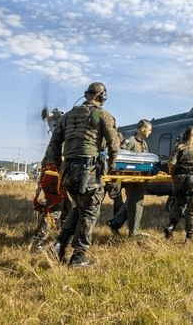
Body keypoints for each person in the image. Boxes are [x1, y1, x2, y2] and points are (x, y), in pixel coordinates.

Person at [45, 82, 119, 268]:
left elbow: (54, 144)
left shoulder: (68, 116)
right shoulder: (103, 115)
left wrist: (59, 166)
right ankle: (79, 256)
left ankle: (59, 245)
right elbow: (114, 144)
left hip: (68, 170)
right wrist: (111, 166)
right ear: (100, 97)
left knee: (78, 208)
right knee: (89, 211)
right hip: (88, 171)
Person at [108, 119, 152, 236]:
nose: (150, 132)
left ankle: (115, 223)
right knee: (136, 204)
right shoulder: (131, 141)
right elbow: (120, 157)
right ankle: (134, 232)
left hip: (139, 179)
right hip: (131, 180)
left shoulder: (143, 143)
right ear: (142, 129)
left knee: (131, 203)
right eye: (149, 129)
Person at [164, 126, 193, 241]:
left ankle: (171, 226)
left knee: (178, 204)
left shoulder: (179, 147)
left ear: (184, 136)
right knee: (192, 209)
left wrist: (172, 174)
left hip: (180, 178)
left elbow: (171, 163)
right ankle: (189, 236)